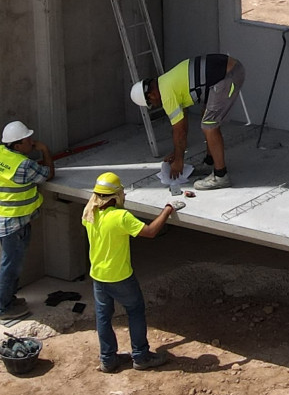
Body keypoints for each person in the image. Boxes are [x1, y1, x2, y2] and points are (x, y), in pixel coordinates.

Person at [82, 171, 181, 372]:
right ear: (115, 196)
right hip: (120, 276)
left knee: (103, 317)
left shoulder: (90, 214)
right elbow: (150, 232)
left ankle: (108, 359)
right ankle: (141, 356)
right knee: (135, 311)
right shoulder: (121, 217)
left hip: (98, 276)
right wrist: (168, 209)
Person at [129, 53, 245, 190]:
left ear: (151, 95)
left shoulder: (166, 95)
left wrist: (179, 160)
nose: (154, 105)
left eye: (150, 104)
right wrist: (177, 153)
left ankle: (221, 176)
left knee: (209, 126)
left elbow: (180, 131)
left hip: (229, 76)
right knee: (206, 116)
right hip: (228, 71)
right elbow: (182, 123)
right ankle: (210, 162)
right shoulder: (166, 82)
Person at [0, 119, 55, 325]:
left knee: (9, 264)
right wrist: (45, 151)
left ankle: (8, 300)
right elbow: (48, 174)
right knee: (10, 267)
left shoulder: (0, 153)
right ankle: (2, 309)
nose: (32, 142)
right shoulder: (23, 165)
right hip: (14, 223)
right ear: (17, 146)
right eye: (27, 140)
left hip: (0, 218)